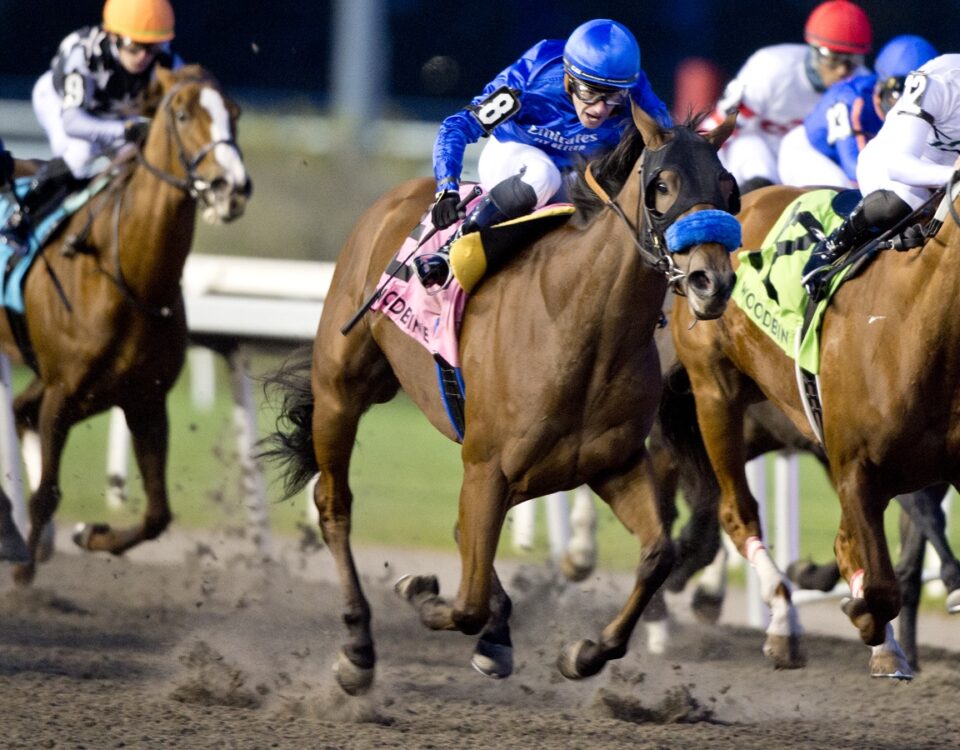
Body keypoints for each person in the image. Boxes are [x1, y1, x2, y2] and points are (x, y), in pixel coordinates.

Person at [419, 18, 672, 286]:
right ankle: (452, 249)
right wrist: (447, 189)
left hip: (575, 173)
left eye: (613, 97)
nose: (600, 109)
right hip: (513, 156)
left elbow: (670, 148)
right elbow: (457, 126)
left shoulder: (637, 92)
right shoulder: (530, 80)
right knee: (544, 175)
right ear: (569, 78)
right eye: (590, 92)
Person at [0, 0, 181, 254]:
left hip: (110, 115)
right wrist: (126, 130)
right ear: (112, 36)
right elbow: (73, 123)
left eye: (152, 48)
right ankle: (18, 221)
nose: (143, 57)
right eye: (134, 46)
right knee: (80, 155)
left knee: (136, 165)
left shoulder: (168, 62)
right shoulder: (83, 55)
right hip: (61, 105)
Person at [802, 53, 960, 298]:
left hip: (947, 175)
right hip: (893, 165)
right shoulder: (942, 81)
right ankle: (832, 246)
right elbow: (899, 166)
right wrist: (955, 176)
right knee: (908, 201)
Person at [709, 0, 872, 192]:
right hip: (758, 150)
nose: (842, 70)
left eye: (852, 60)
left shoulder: (862, 85)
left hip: (806, 156)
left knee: (839, 190)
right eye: (833, 57)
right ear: (813, 48)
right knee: (756, 167)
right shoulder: (772, 69)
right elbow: (720, 126)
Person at [778, 35, 939, 188]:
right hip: (811, 153)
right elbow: (855, 168)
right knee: (844, 192)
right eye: (900, 88)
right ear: (881, 83)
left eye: (922, 91)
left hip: (853, 157)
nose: (910, 100)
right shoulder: (851, 100)